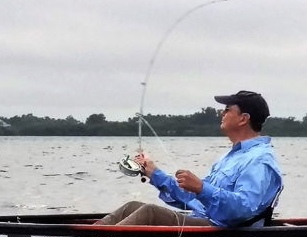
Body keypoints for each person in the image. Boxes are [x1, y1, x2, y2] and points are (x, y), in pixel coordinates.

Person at [97, 90, 283, 227]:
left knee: (150, 213)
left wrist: (202, 188)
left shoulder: (260, 160)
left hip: (223, 231)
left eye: (227, 109)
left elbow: (243, 208)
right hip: (203, 220)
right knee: (132, 206)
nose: (222, 113)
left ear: (243, 119)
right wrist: (154, 173)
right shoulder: (231, 157)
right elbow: (195, 198)